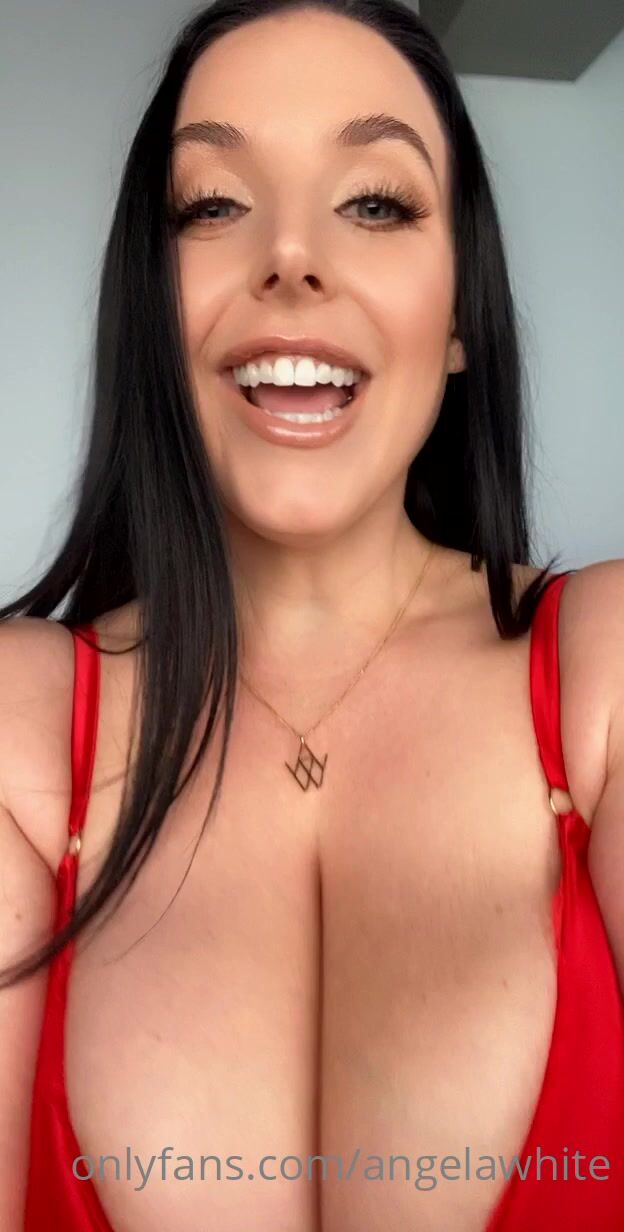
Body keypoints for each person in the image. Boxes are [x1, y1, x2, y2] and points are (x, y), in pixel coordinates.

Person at [1, 1, 623, 1229]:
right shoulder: (17, 729)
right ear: (151, 309)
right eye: (214, 204)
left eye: (376, 202)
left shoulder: (606, 675)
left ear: (461, 315)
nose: (291, 258)